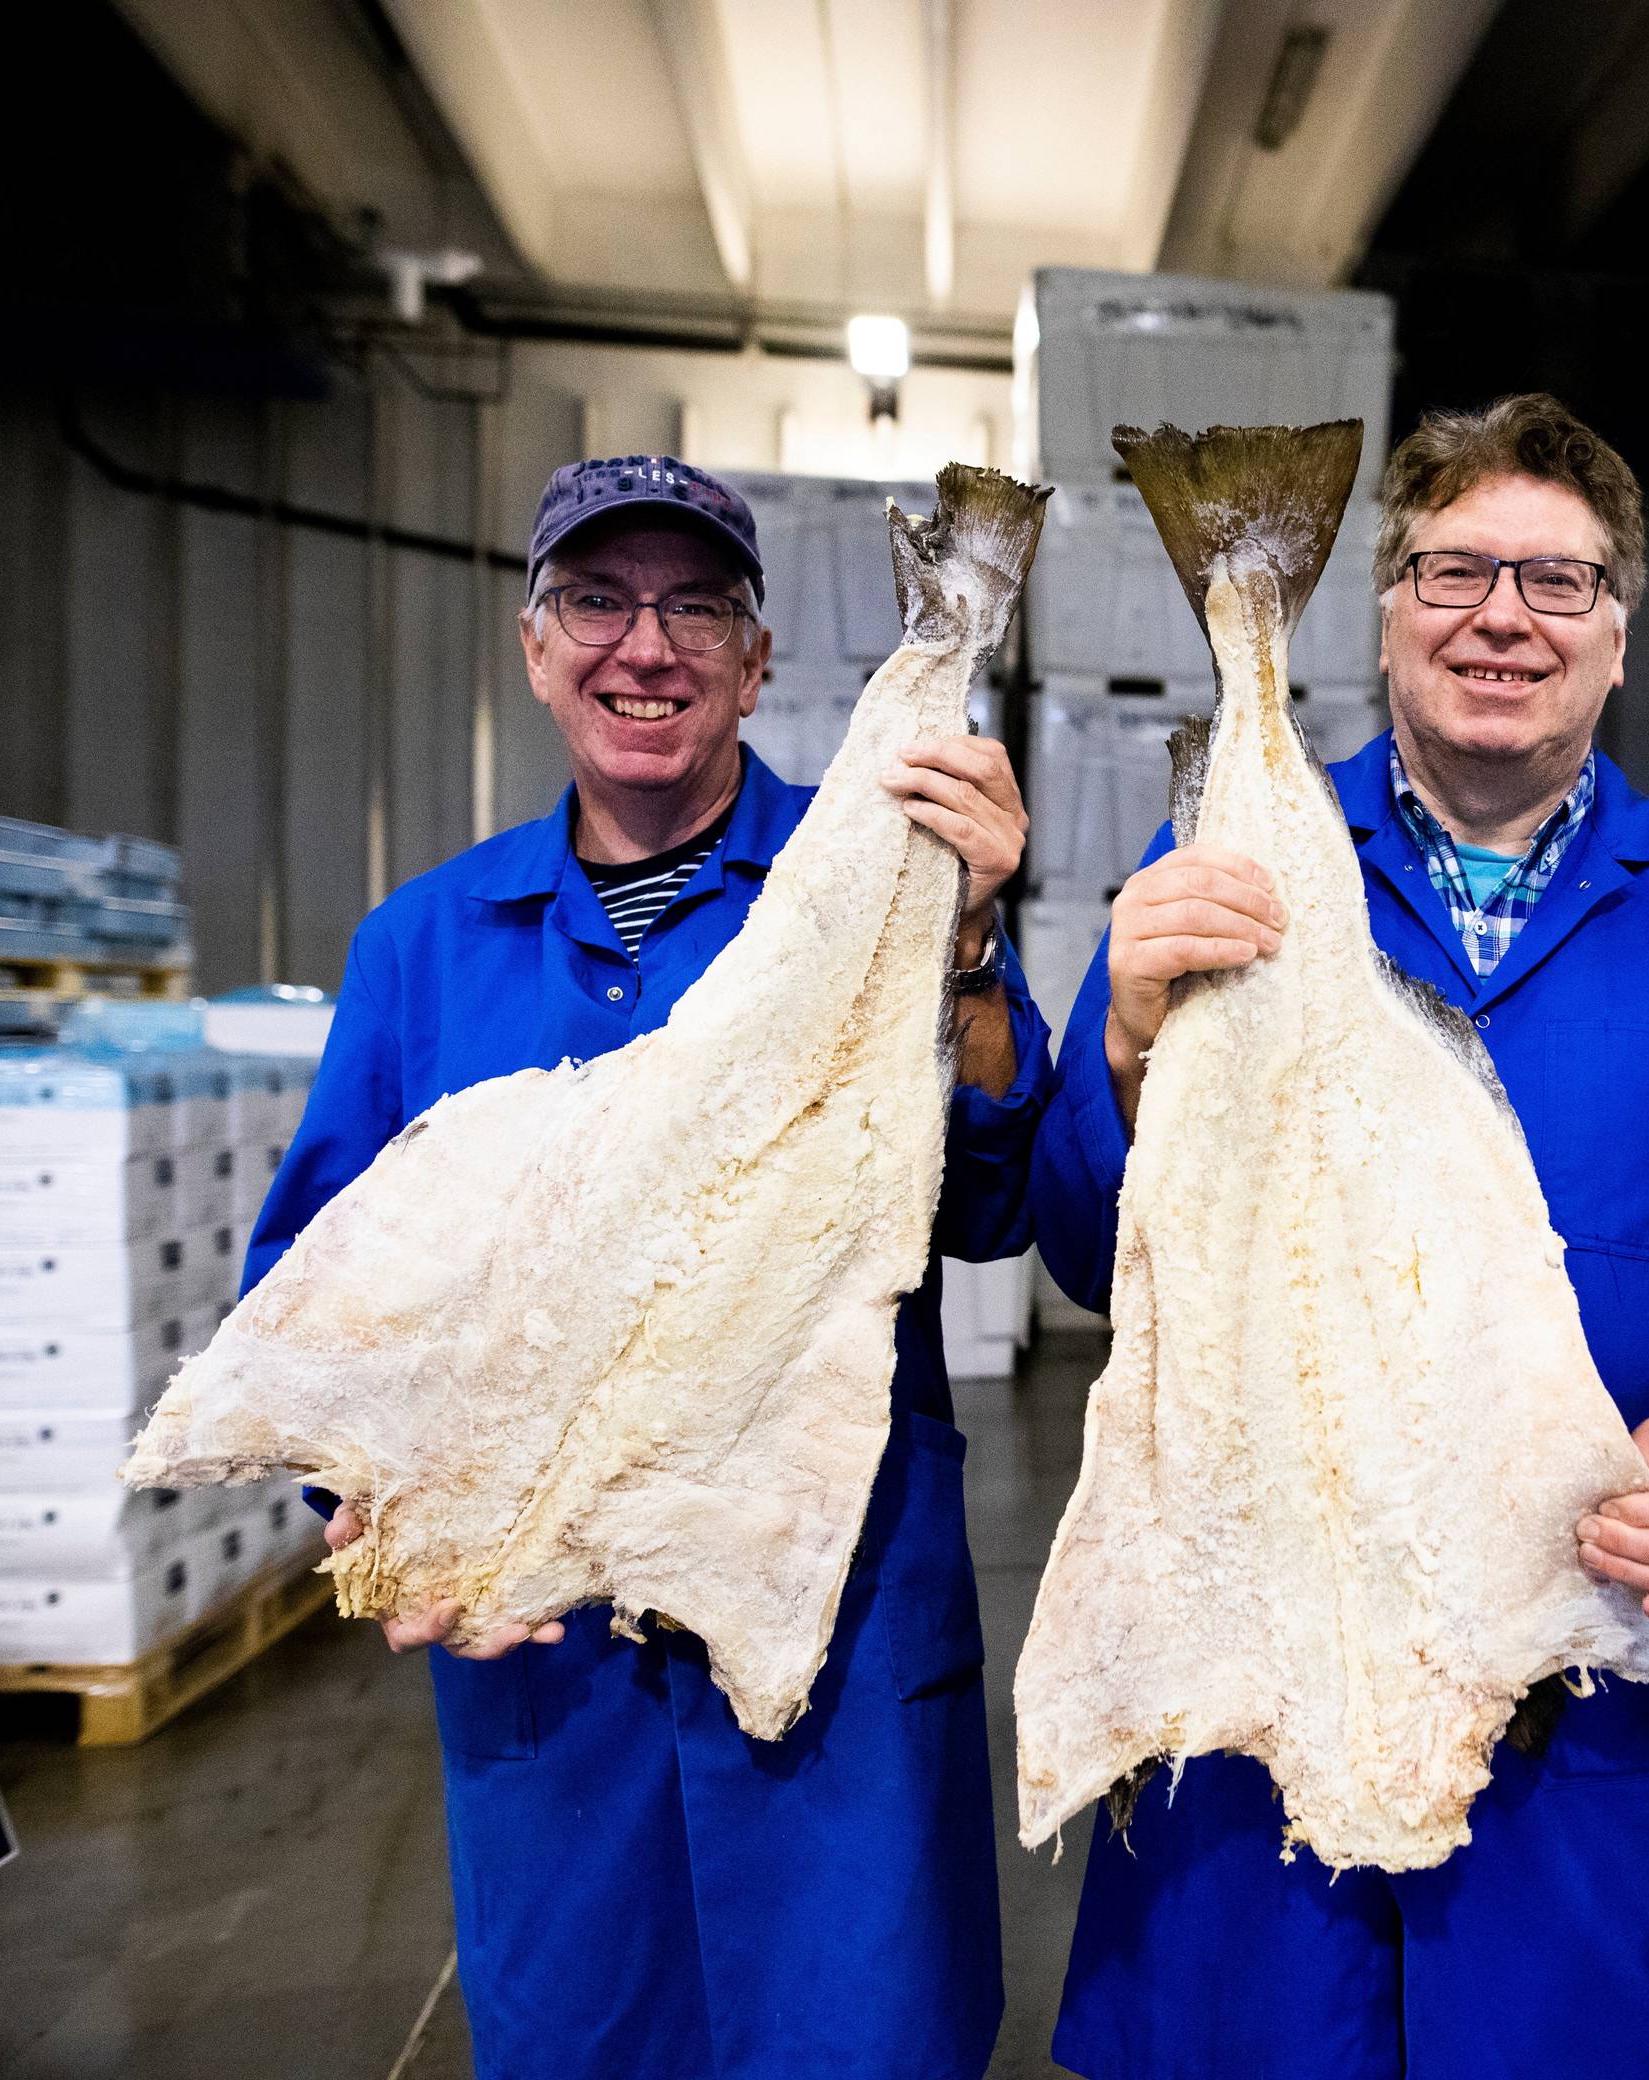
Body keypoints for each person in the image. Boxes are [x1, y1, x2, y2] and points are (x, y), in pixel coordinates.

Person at [1030, 394, 1649, 2079]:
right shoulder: (1230, 863)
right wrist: (1115, 1042)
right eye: (1454, 571)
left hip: (1568, 1663)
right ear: (1382, 611)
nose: (1503, 619)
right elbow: (1093, 1255)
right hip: (1260, 1624)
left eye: (1559, 580)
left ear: (1620, 634)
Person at [253, 455, 1051, 2080]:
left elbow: (991, 1204)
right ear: (535, 646)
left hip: (832, 1667)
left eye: (696, 606)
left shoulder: (890, 882)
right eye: (598, 603)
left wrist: (965, 948)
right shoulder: (423, 946)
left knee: (861, 2044)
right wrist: (376, 1519)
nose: (648, 646)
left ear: (759, 663)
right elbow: (312, 1292)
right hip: (554, 1682)